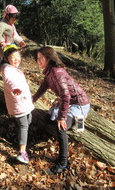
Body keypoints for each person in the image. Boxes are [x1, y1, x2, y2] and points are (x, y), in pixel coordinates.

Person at [32, 46, 90, 175]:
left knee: (60, 127)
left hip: (79, 104)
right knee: (48, 118)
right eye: (37, 58)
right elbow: (43, 87)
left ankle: (62, 163)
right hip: (68, 103)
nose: (38, 61)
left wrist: (62, 117)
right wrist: (32, 100)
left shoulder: (57, 73)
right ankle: (74, 120)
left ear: (49, 58)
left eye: (41, 58)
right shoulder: (49, 72)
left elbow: (65, 96)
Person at [0, 44, 34, 164]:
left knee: (28, 121)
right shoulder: (6, 69)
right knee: (24, 126)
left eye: (18, 57)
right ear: (6, 58)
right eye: (13, 57)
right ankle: (22, 152)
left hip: (24, 101)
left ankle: (19, 139)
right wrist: (15, 88)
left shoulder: (13, 68)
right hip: (18, 102)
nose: (16, 59)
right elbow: (9, 80)